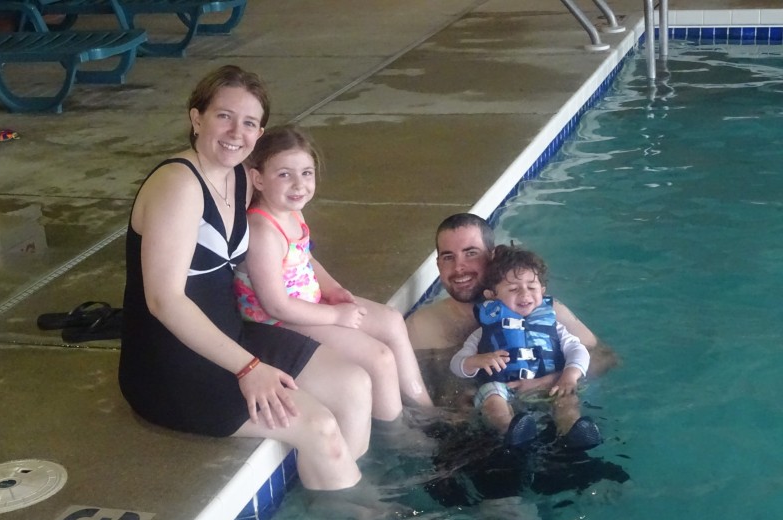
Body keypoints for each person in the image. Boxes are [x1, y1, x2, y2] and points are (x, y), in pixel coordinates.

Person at [118, 66, 374, 492]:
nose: (237, 132)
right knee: (320, 428)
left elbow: (287, 231)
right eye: (224, 116)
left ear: (260, 132)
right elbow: (164, 300)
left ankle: (344, 492)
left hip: (232, 334)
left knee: (354, 384)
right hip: (173, 365)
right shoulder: (178, 185)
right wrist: (249, 367)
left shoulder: (239, 176)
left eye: (250, 122)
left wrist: (324, 289)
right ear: (196, 118)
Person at [234, 124, 433, 426]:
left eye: (306, 173)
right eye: (284, 174)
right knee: (378, 358)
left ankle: (427, 412)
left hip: (308, 306)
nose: (299, 184)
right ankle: (398, 437)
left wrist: (333, 289)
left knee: (392, 320)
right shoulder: (263, 230)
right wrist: (337, 316)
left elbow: (307, 259)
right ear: (258, 179)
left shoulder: (292, 212)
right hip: (278, 323)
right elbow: (276, 305)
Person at [405, 213, 618, 406]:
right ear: (439, 265)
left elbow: (605, 358)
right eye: (448, 257)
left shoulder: (545, 310)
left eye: (471, 253)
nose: (459, 267)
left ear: (492, 256)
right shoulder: (423, 326)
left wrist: (550, 381)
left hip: (549, 408)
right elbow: (413, 399)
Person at [450, 244, 602, 450]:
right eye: (513, 289)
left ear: (542, 291)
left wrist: (569, 376)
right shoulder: (485, 331)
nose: (525, 294)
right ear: (492, 295)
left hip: (548, 385)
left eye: (532, 287)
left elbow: (578, 350)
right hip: (505, 388)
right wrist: (476, 361)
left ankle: (572, 428)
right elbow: (457, 364)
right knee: (492, 399)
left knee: (566, 398)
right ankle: (510, 429)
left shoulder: (553, 326)